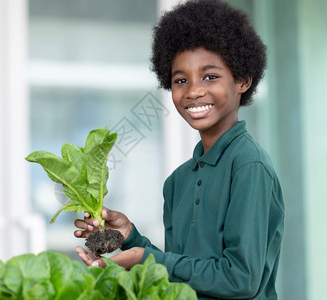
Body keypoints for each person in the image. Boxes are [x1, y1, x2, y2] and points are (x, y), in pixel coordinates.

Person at [74, 0, 285, 299]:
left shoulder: (249, 166)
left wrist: (146, 259)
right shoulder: (177, 182)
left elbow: (241, 279)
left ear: (242, 80)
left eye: (210, 76)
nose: (194, 90)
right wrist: (128, 238)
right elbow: (182, 275)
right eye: (180, 80)